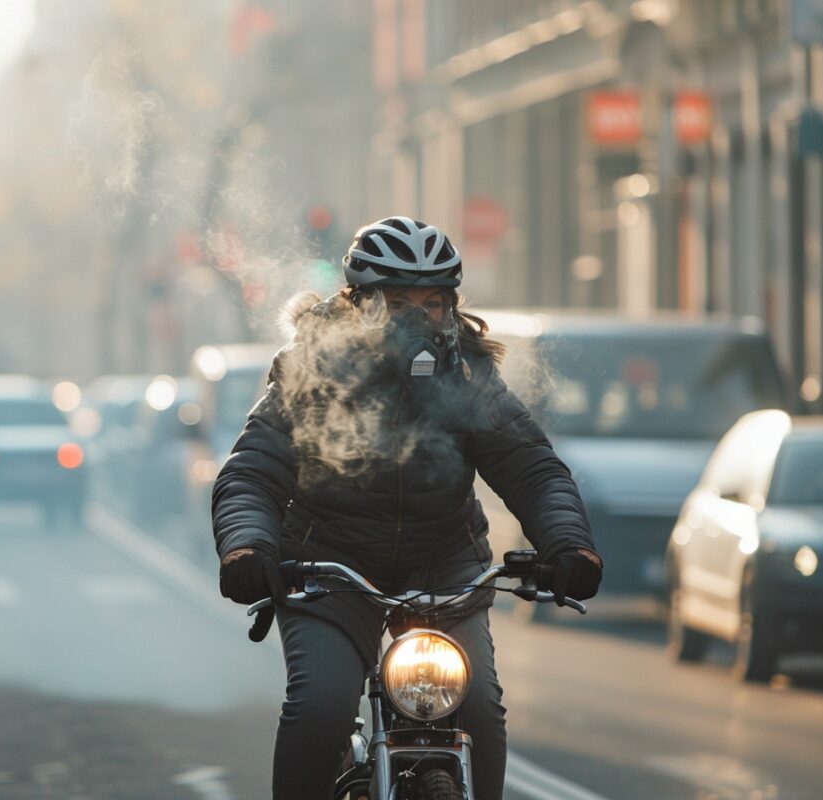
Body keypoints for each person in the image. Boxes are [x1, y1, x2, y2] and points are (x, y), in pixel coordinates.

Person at [212, 217, 603, 799]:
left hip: (444, 569)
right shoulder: (309, 372)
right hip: (329, 572)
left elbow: (533, 469)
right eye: (398, 304)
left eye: (433, 303)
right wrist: (248, 545)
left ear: (452, 306)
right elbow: (253, 470)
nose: (419, 320)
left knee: (481, 715)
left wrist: (568, 542)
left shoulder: (469, 376)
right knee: (320, 707)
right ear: (357, 303)